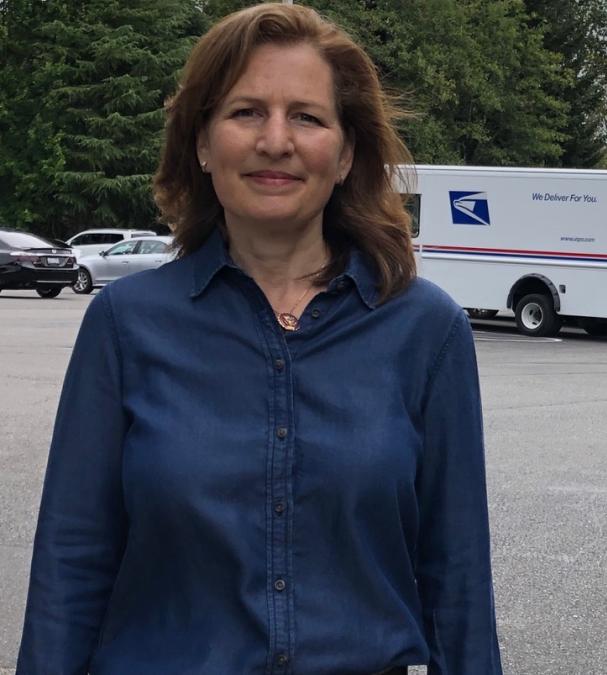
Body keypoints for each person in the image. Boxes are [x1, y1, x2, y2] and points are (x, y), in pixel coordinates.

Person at [17, 4, 502, 674]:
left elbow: (458, 580)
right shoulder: (126, 324)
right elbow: (72, 562)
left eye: (307, 116)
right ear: (203, 143)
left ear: (347, 152)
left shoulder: (426, 331)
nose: (276, 140)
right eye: (246, 112)